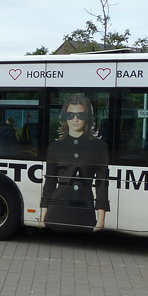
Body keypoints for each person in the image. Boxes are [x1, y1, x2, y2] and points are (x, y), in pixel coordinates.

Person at [41, 93, 109, 231]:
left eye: (80, 115)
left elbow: (102, 184)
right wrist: (42, 219)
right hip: (56, 212)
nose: (75, 119)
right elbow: (50, 183)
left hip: (85, 213)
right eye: (70, 115)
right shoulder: (54, 147)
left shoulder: (99, 146)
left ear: (88, 117)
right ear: (65, 117)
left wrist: (101, 222)